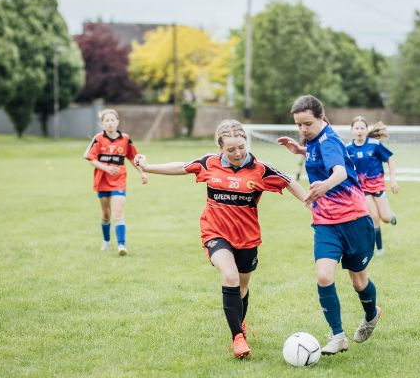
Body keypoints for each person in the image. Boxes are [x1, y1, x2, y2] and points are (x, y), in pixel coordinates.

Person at [134, 119, 308, 359]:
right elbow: (181, 167)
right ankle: (237, 338)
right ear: (220, 148)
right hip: (215, 232)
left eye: (241, 147)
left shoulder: (260, 169)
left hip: (247, 238)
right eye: (231, 149)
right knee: (230, 276)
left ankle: (240, 325)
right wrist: (149, 166)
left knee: (243, 286)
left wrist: (311, 204)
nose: (237, 153)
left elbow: (289, 181)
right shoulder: (209, 163)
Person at [278, 95, 383, 356]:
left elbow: (340, 171)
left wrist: (325, 185)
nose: (303, 130)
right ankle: (338, 336)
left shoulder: (330, 141)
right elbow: (319, 152)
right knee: (324, 276)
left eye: (307, 124)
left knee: (359, 282)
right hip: (325, 222)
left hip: (354, 220)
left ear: (321, 118)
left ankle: (372, 313)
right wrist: (300, 150)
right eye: (298, 125)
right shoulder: (315, 140)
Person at [83, 108, 148, 255]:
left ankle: (121, 245)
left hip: (119, 181)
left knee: (118, 213)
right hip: (101, 181)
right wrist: (106, 168)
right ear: (103, 124)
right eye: (107, 120)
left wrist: (142, 173)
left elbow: (133, 158)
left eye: (113, 120)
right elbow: (90, 158)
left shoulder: (125, 139)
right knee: (106, 214)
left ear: (118, 122)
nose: (110, 123)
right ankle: (106, 241)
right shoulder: (98, 138)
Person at [346, 116, 399, 256]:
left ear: (366, 130)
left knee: (386, 218)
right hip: (362, 190)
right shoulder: (347, 149)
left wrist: (393, 179)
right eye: (356, 128)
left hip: (378, 187)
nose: (359, 131)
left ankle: (392, 217)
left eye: (362, 128)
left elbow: (390, 159)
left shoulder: (375, 145)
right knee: (374, 217)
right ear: (351, 130)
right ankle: (379, 249)